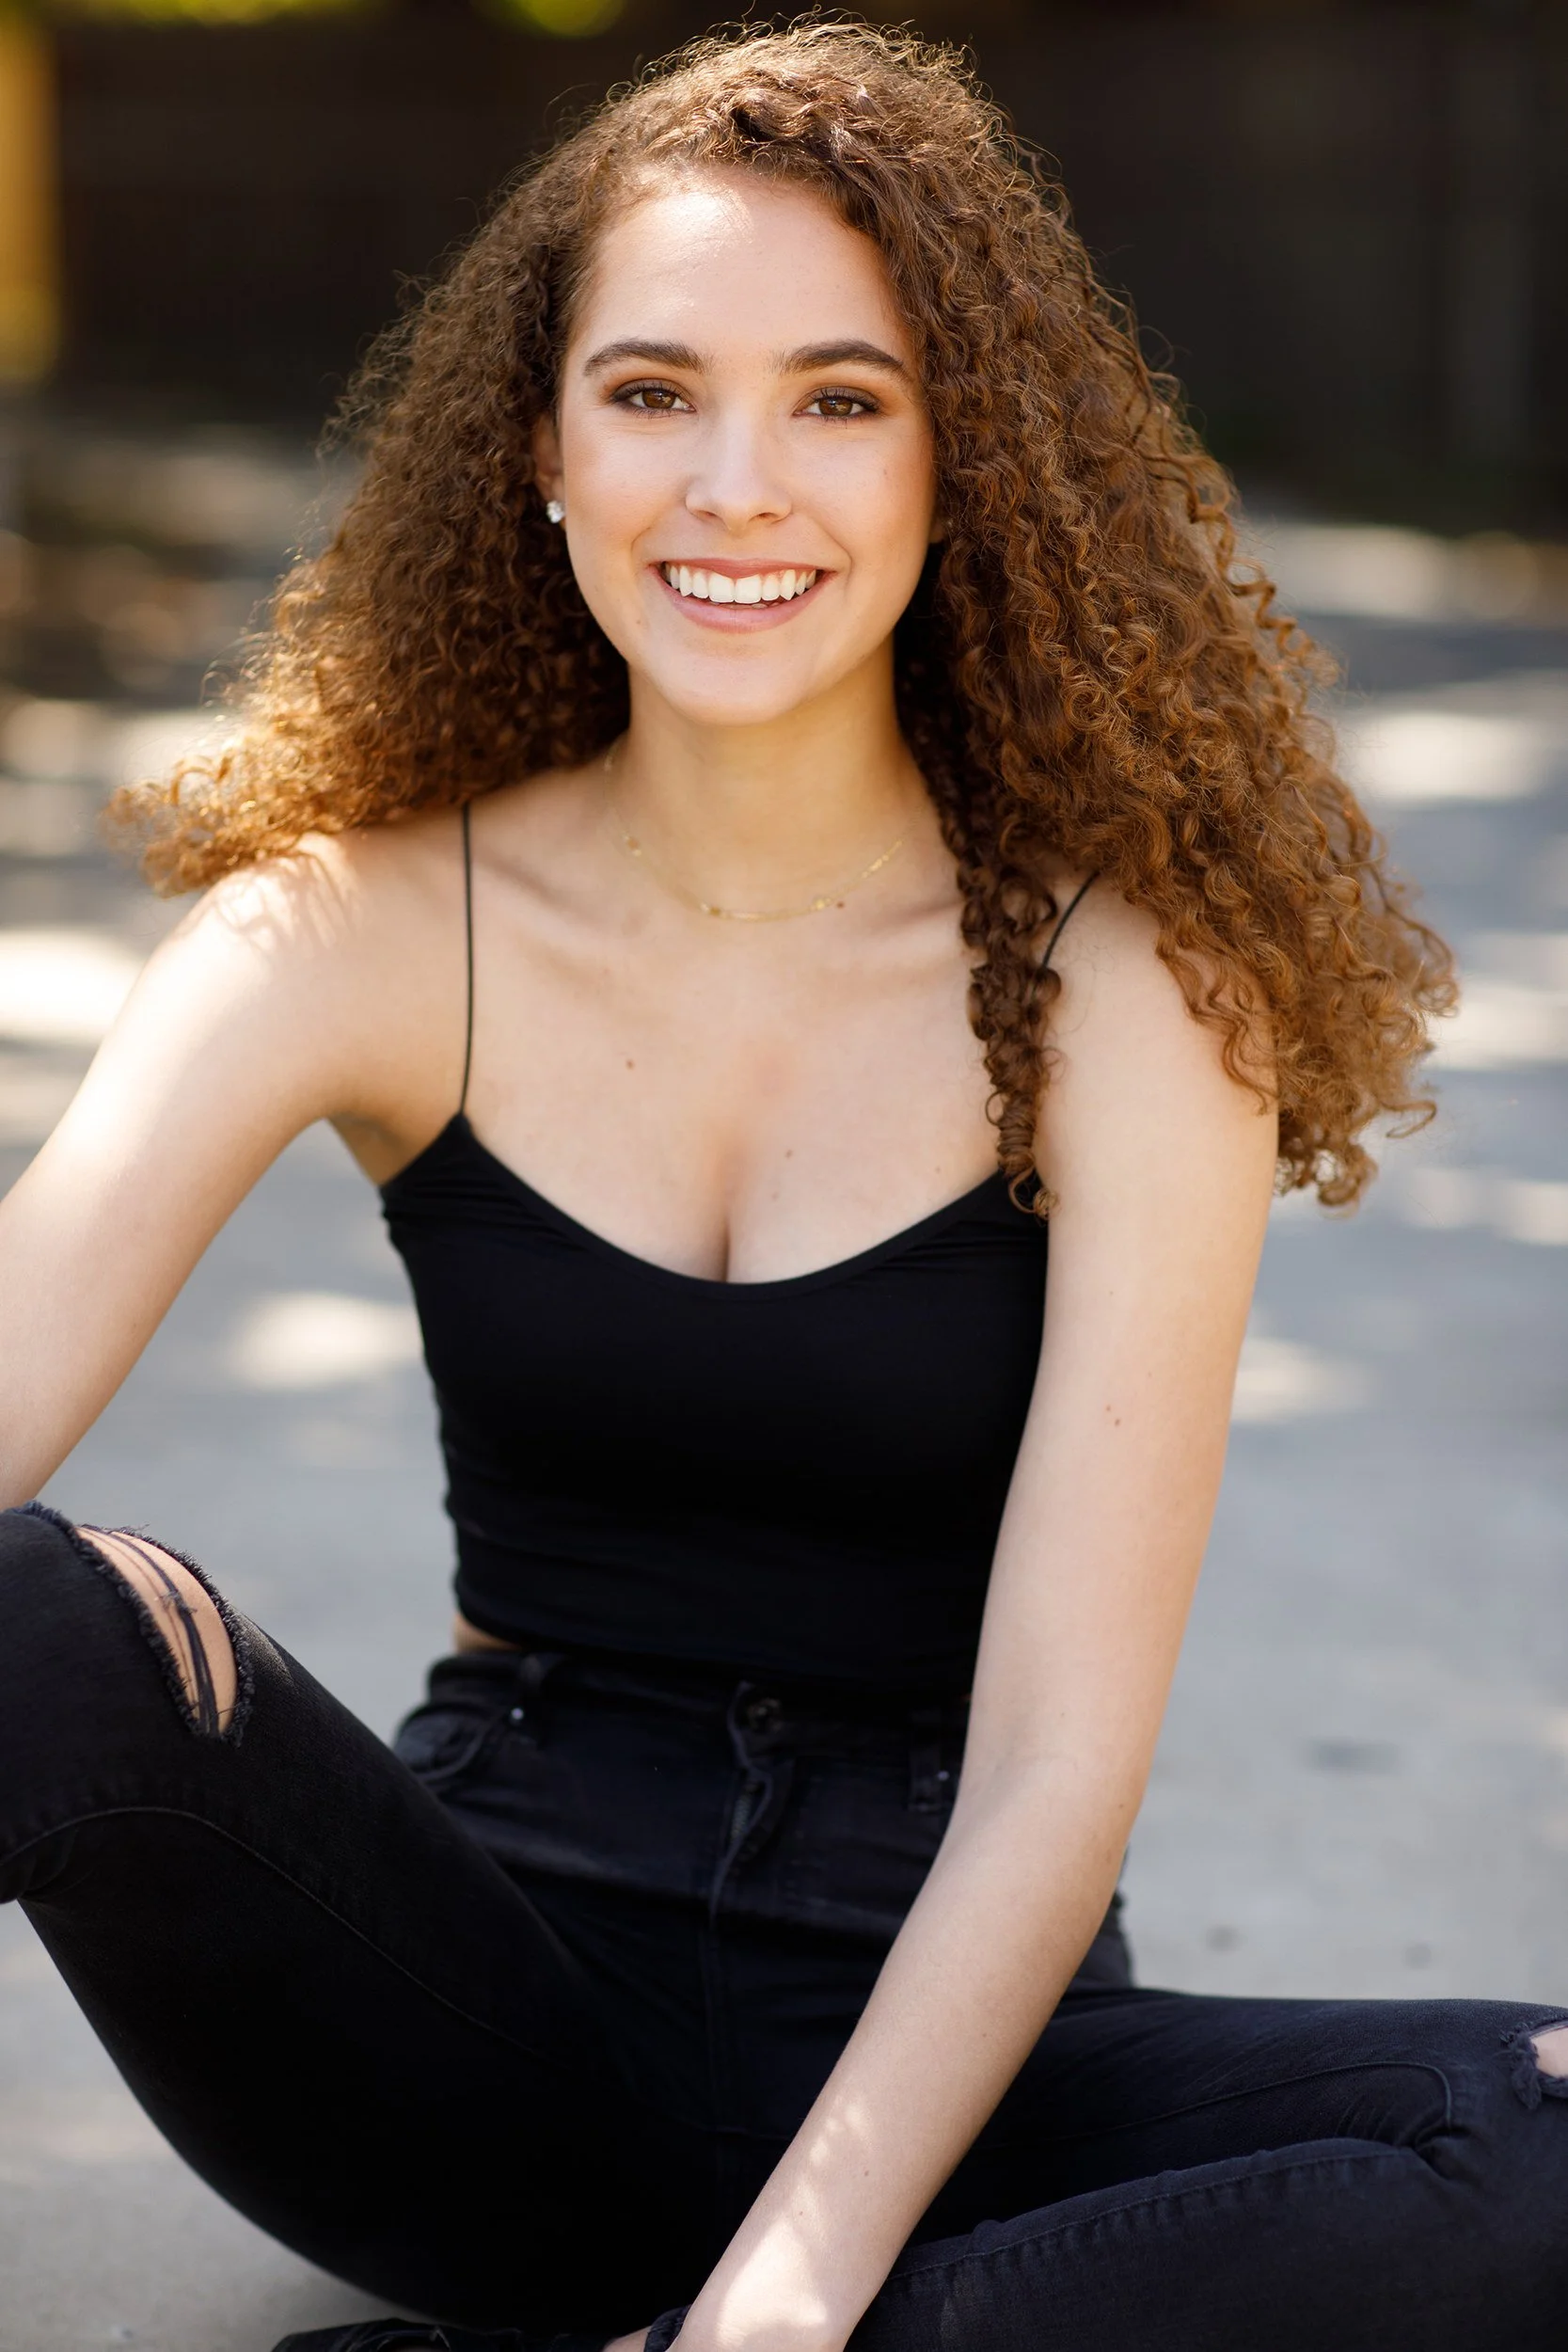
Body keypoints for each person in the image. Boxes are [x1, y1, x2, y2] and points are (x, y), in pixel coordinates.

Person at [1, 22, 1563, 2352]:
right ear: (540, 445)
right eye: (652, 392)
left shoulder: (1136, 987)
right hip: (469, 2021)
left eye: (840, 397)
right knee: (38, 1607)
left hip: (951, 2055)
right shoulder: (349, 929)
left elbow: (1053, 1763)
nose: (737, 485)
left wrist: (800, 2285)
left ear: (964, 460)